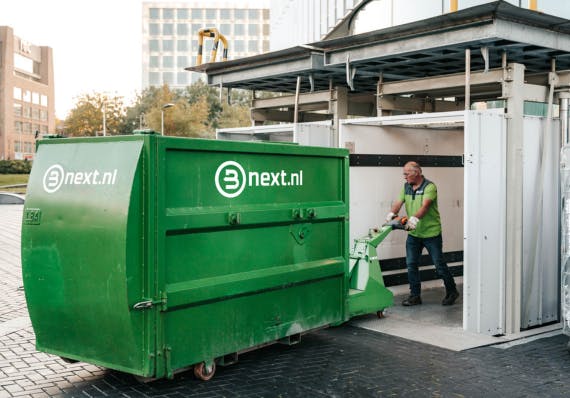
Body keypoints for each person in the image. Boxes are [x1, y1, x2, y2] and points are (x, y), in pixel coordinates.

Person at [386, 161, 459, 306]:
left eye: (407, 174)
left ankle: (452, 291)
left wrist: (414, 218)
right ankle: (415, 296)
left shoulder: (430, 187)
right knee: (411, 264)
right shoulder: (406, 187)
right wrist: (391, 213)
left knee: (439, 265)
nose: (404, 177)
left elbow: (425, 206)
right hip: (414, 234)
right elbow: (398, 202)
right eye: (404, 174)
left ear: (416, 173)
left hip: (431, 233)